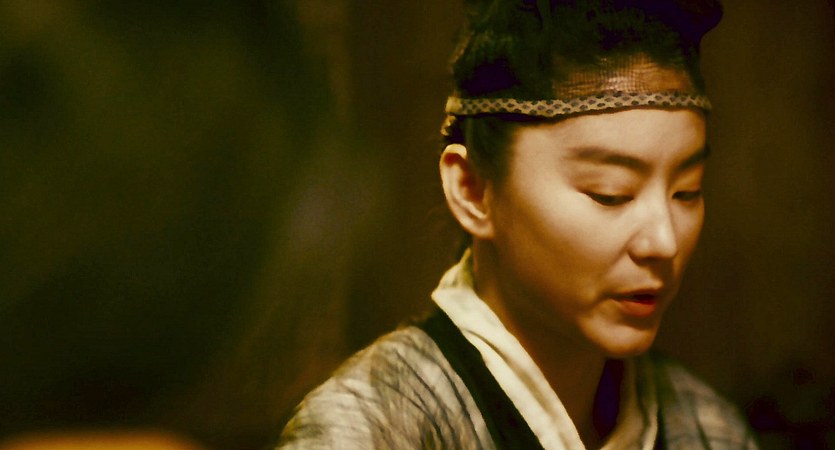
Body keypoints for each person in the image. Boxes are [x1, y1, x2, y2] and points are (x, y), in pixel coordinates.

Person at [277, 0, 759, 448]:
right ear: (473, 190)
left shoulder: (709, 430)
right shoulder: (368, 429)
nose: (663, 241)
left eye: (686, 191)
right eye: (610, 193)